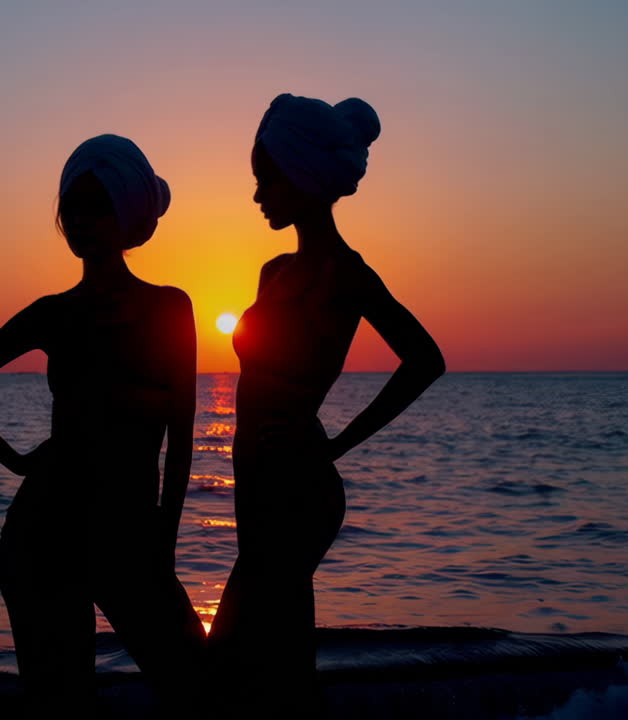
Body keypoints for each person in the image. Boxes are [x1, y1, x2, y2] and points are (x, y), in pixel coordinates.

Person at [0, 134, 205, 715]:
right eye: (71, 208)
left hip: (131, 531)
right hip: (43, 535)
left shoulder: (169, 308)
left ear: (126, 213)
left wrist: (166, 540)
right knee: (62, 704)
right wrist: (21, 462)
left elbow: (181, 435)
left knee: (197, 686)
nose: (80, 220)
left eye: (95, 206)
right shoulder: (53, 313)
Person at [209, 94, 446, 713]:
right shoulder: (271, 271)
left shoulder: (347, 273)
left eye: (268, 179)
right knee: (272, 655)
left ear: (304, 176)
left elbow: (425, 360)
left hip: (299, 489)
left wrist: (336, 444)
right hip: (258, 487)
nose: (259, 194)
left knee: (244, 653)